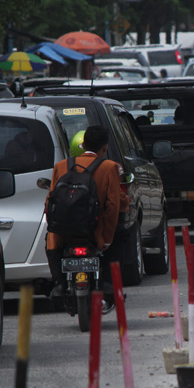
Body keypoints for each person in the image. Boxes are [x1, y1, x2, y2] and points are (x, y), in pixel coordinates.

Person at [45, 126, 130, 309]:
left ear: (83, 145)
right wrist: (106, 239)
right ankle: (108, 283)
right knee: (123, 235)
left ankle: (59, 282)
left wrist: (54, 227)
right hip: (94, 231)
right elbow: (113, 205)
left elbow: (50, 202)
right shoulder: (110, 167)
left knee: (50, 242)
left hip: (63, 233)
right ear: (105, 148)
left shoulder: (61, 166)